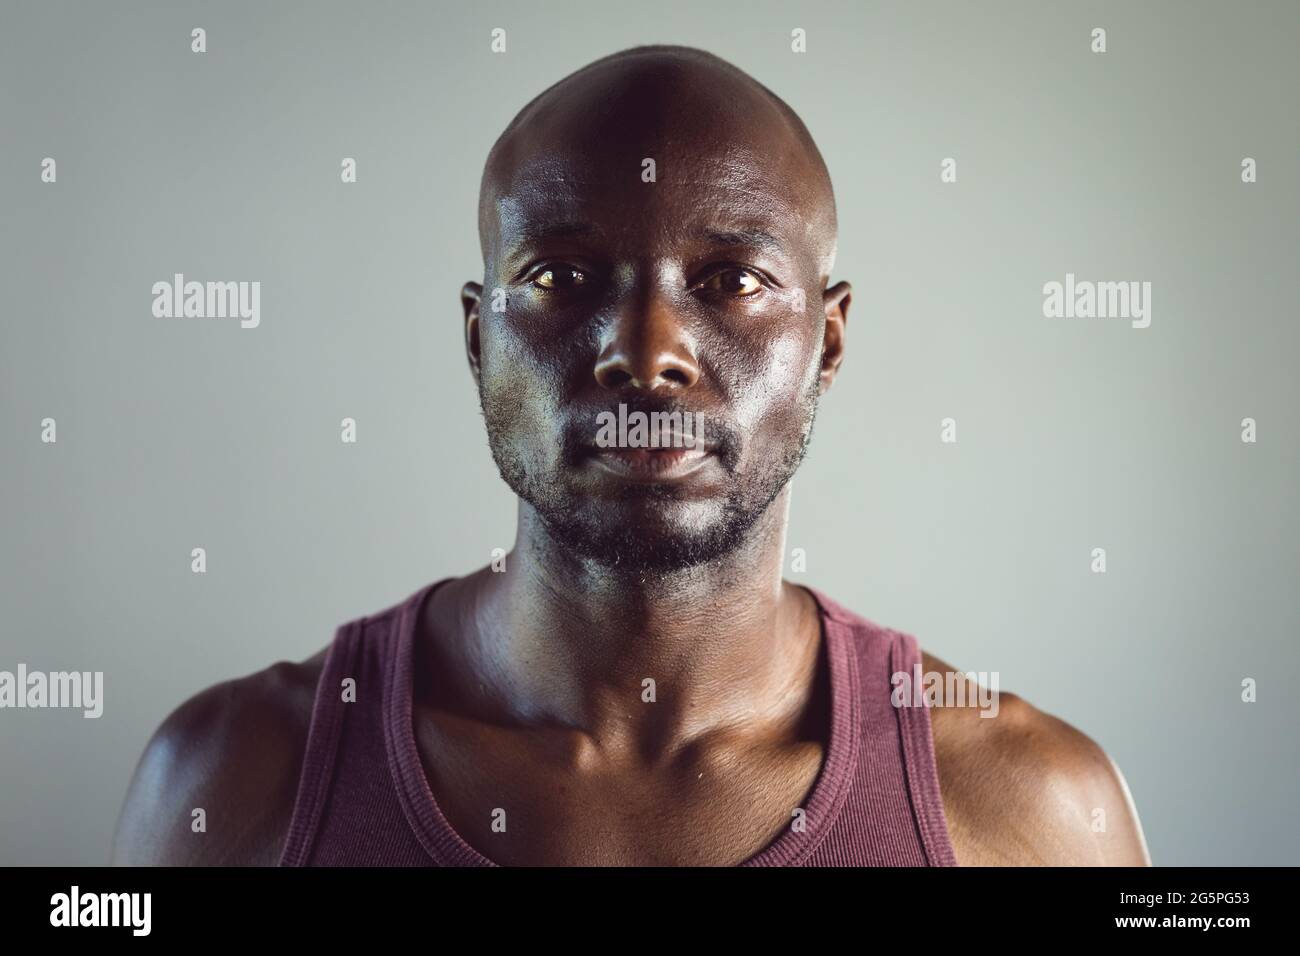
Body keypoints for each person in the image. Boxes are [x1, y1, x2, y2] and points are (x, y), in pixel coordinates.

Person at [112, 45, 1150, 867]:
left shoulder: (1034, 810)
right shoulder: (232, 779)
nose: (645, 351)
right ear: (479, 340)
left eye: (730, 280)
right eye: (562, 273)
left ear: (827, 341)